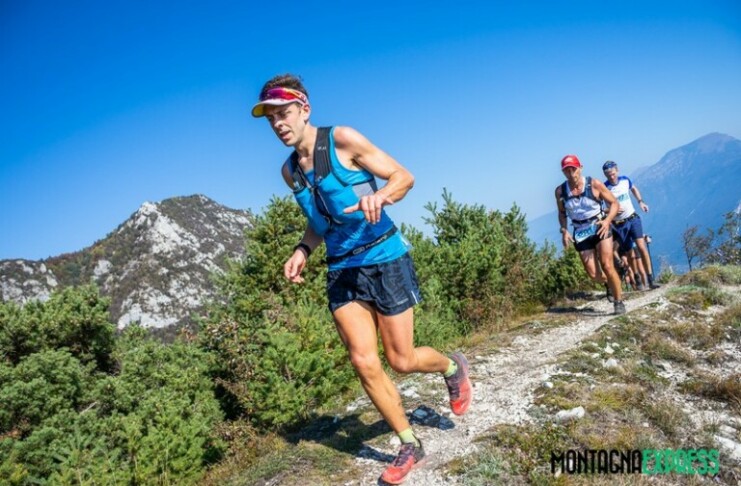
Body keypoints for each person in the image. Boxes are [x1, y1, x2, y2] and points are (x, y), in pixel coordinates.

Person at [251, 74, 472, 485]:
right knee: (362, 360)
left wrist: (380, 196)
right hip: (341, 268)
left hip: (384, 257)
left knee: (401, 360)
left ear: (304, 109)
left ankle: (451, 367)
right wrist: (302, 250)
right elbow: (320, 223)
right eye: (271, 119)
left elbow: (403, 177)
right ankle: (408, 442)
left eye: (284, 113)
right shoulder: (290, 172)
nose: (278, 123)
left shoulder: (342, 140)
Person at [555, 155, 626, 315]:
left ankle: (618, 301)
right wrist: (564, 230)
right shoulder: (560, 191)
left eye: (573, 169)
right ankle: (610, 282)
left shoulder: (594, 184)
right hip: (580, 232)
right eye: (567, 170)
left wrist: (607, 221)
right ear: (563, 172)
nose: (571, 173)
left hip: (599, 226)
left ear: (580, 168)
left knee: (607, 265)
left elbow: (614, 203)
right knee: (593, 274)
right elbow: (562, 213)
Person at [602, 160, 660, 289]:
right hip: (619, 224)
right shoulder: (604, 188)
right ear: (605, 175)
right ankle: (637, 278)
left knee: (641, 246)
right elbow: (600, 208)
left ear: (617, 170)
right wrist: (611, 209)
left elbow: (633, 188)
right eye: (608, 175)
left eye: (613, 173)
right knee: (629, 253)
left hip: (632, 218)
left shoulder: (625, 180)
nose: (611, 176)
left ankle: (650, 279)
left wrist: (640, 201)